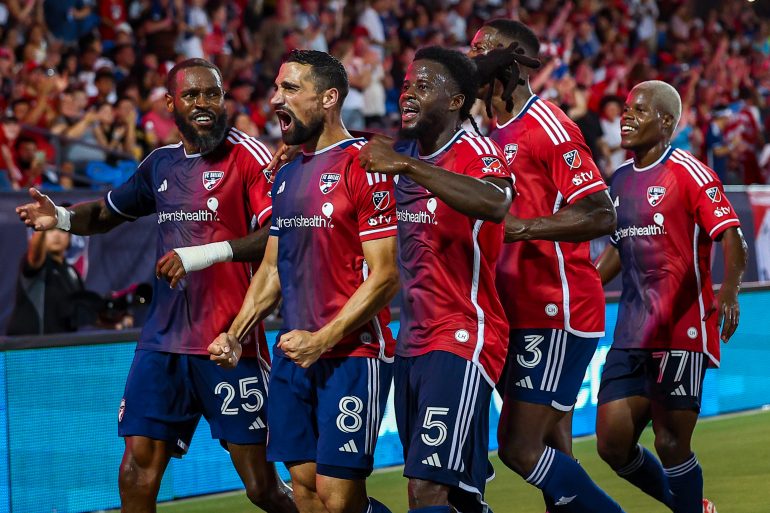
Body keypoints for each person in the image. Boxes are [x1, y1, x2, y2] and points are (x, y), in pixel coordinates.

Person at [15, 58, 297, 513]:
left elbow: (280, 233)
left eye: (213, 94)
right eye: (192, 95)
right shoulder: (159, 164)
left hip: (229, 343)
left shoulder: (249, 156)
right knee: (135, 473)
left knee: (261, 486)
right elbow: (108, 212)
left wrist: (204, 254)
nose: (204, 104)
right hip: (161, 344)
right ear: (170, 104)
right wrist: (63, 218)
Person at [208, 49, 398, 513]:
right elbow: (272, 268)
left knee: (337, 495)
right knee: (306, 486)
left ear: (329, 98)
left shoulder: (364, 165)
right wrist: (234, 334)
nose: (276, 99)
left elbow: (387, 275)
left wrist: (323, 339)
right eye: (276, 88)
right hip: (294, 355)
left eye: (290, 88)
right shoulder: (287, 173)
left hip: (353, 354)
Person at [468, 19, 623, 513]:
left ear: (510, 63)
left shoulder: (547, 124)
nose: (471, 62)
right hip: (515, 310)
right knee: (553, 440)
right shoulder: (492, 133)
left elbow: (602, 213)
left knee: (518, 447)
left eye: (482, 53)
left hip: (553, 307)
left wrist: (524, 228)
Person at [358, 46, 514, 513]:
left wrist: (409, 167)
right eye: (406, 86)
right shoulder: (399, 151)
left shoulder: (474, 150)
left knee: (424, 492)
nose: (408, 94)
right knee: (457, 497)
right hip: (412, 343)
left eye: (423, 87)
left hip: (464, 335)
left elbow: (496, 202)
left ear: (455, 101)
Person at [595, 80, 748, 513]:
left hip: (682, 328)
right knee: (612, 443)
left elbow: (731, 237)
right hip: (630, 331)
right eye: (626, 109)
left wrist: (730, 292)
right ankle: (690, 506)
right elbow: (618, 247)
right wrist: (585, 282)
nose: (626, 116)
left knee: (670, 442)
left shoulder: (689, 171)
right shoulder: (620, 178)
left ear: (665, 122)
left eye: (638, 111)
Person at [6, 222, 83, 335]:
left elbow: (84, 311)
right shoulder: (37, 263)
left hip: (61, 346)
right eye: (50, 230)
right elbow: (35, 255)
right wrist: (42, 224)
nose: (56, 235)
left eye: (62, 230)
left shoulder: (72, 273)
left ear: (70, 237)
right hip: (28, 346)